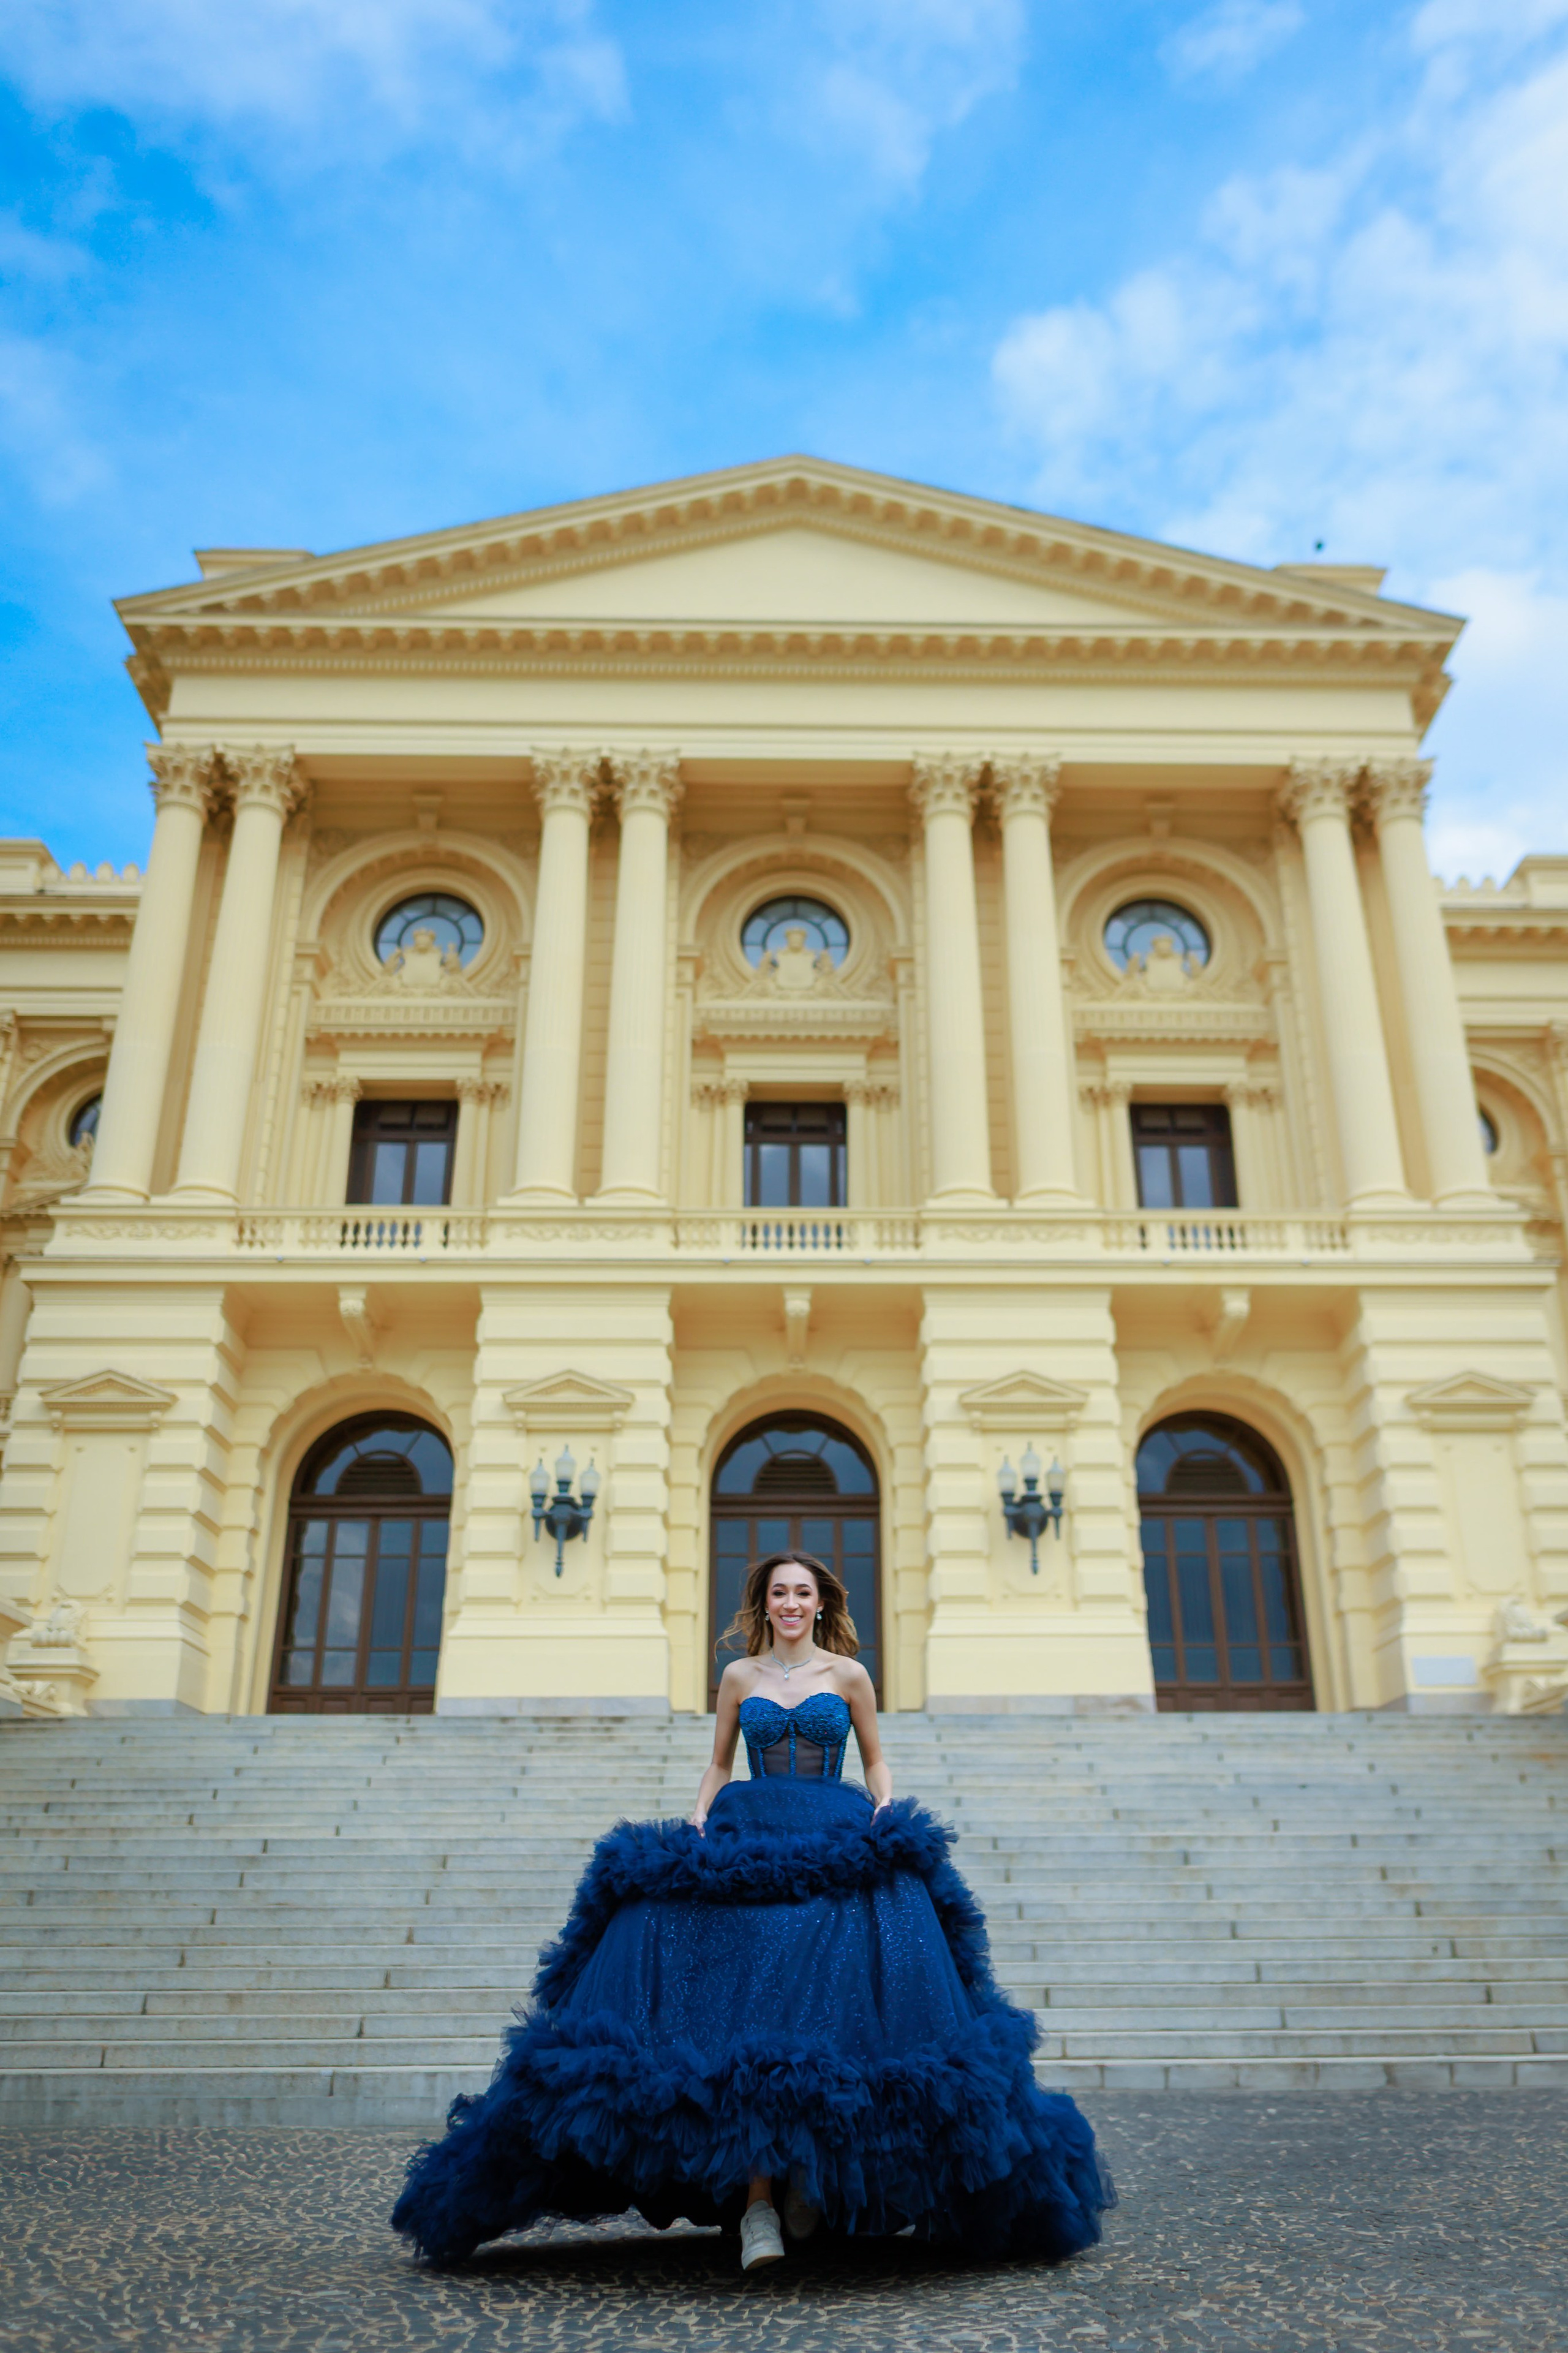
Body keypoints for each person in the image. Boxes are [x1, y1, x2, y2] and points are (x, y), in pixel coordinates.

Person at [392, 1550, 1113, 2273]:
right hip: (750, 1834)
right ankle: (758, 2204)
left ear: (821, 1603)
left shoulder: (849, 1675)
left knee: (829, 2010)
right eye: (779, 1592)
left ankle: (806, 2185)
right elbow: (719, 1762)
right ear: (763, 1604)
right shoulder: (740, 1676)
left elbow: (873, 1757)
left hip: (833, 1834)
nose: (791, 1603)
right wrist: (698, 1816)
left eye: (802, 1592)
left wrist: (885, 1802)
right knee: (744, 2012)